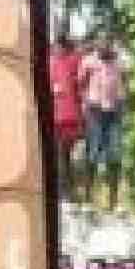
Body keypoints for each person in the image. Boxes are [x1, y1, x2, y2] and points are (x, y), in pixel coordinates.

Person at [77, 35, 128, 210]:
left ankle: (113, 201)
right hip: (95, 110)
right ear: (97, 47)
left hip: (114, 111)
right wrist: (86, 104)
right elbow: (81, 83)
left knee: (115, 154)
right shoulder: (88, 61)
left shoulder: (119, 61)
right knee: (92, 153)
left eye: (108, 45)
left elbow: (126, 80)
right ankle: (87, 199)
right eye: (102, 45)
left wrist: (123, 102)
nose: (105, 49)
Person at [48, 31, 86, 199]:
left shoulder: (74, 61)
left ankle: (68, 192)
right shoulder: (50, 62)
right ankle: (64, 191)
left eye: (60, 46)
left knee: (67, 155)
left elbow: (81, 83)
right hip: (56, 117)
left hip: (70, 116)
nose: (57, 49)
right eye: (56, 46)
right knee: (60, 155)